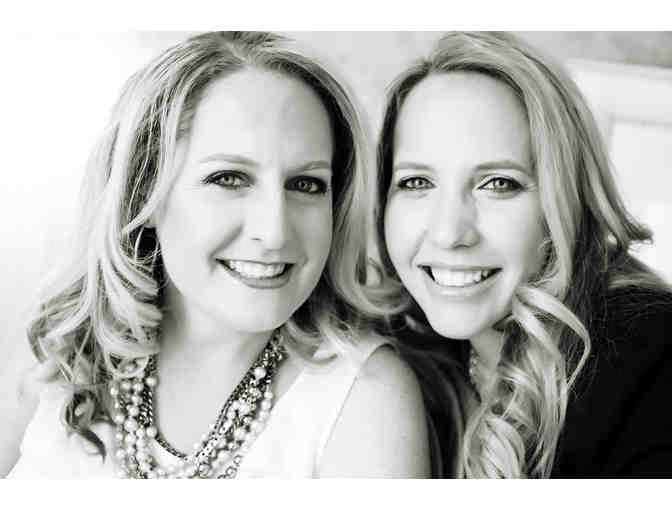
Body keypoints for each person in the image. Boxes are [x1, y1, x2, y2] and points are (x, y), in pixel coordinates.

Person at [2, 31, 429, 479]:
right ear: (144, 192)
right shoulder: (60, 349)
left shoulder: (366, 395)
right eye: (229, 178)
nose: (274, 231)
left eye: (306, 185)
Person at [373, 31, 672, 478]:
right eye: (417, 182)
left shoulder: (651, 356)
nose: (449, 233)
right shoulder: (397, 347)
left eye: (498, 184)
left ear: (564, 200)